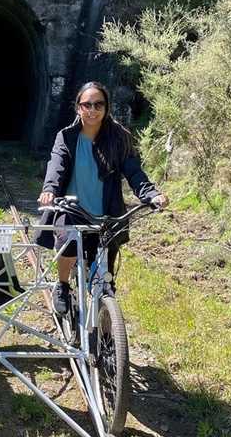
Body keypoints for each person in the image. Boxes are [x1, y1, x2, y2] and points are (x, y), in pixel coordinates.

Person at [37, 81, 169, 314]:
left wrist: (151, 194)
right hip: (72, 209)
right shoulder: (67, 137)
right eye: (87, 104)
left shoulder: (119, 138)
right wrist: (50, 189)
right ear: (78, 108)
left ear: (106, 108)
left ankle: (106, 316)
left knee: (105, 273)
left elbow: (134, 172)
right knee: (67, 244)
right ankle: (63, 285)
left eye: (98, 104)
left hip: (107, 214)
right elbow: (56, 165)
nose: (92, 109)